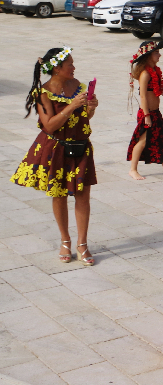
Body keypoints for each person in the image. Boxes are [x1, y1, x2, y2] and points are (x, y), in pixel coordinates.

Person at [11, 47, 99, 265]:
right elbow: (49, 125)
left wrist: (90, 107)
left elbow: (85, 116)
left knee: (83, 197)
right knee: (58, 195)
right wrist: (71, 106)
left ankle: (82, 244)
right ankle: (65, 240)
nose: (74, 68)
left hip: (80, 147)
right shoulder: (43, 93)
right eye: (70, 64)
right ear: (57, 68)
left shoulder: (77, 85)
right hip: (57, 149)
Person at [127, 41, 163, 180]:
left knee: (162, 139)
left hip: (155, 112)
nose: (159, 55)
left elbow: (152, 91)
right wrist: (147, 115)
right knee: (143, 141)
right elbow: (143, 95)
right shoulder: (145, 73)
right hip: (147, 113)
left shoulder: (154, 70)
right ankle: (133, 169)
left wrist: (160, 90)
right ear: (148, 55)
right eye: (156, 52)